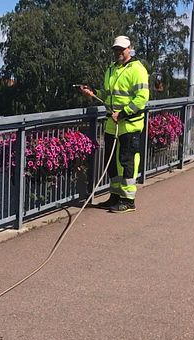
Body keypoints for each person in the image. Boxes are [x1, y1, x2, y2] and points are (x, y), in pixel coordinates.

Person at [80, 35, 149, 213]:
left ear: (129, 49)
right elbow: (107, 95)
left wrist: (124, 113)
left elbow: (142, 98)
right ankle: (115, 196)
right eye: (116, 49)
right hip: (112, 123)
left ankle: (128, 200)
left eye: (121, 49)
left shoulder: (138, 69)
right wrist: (93, 92)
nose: (118, 52)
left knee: (126, 161)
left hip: (130, 124)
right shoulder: (111, 69)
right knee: (111, 163)